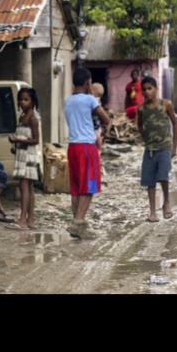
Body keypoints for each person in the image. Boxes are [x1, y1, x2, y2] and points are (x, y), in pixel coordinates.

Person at [65, 67, 111, 239]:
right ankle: (78, 222)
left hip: (72, 147)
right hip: (86, 146)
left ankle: (77, 222)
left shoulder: (68, 101)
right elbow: (105, 119)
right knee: (89, 186)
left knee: (76, 187)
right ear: (87, 83)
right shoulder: (90, 99)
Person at [136, 76, 177, 222]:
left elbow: (175, 123)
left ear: (156, 89)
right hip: (150, 149)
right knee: (150, 181)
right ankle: (152, 211)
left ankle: (166, 203)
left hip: (165, 147)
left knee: (163, 177)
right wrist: (145, 138)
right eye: (144, 90)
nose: (147, 92)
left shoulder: (165, 105)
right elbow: (139, 126)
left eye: (149, 88)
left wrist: (174, 146)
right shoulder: (141, 109)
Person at [7, 88, 42, 231]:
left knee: (25, 187)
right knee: (29, 188)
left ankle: (23, 219)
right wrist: (16, 146)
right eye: (21, 99)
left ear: (33, 101)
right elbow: (25, 137)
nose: (22, 102)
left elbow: (35, 140)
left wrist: (17, 140)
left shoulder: (32, 118)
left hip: (28, 155)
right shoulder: (22, 117)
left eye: (26, 99)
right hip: (23, 153)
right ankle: (30, 219)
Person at [91, 82, 106, 149]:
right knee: (98, 138)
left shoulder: (93, 100)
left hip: (94, 125)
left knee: (97, 138)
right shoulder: (96, 101)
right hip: (96, 125)